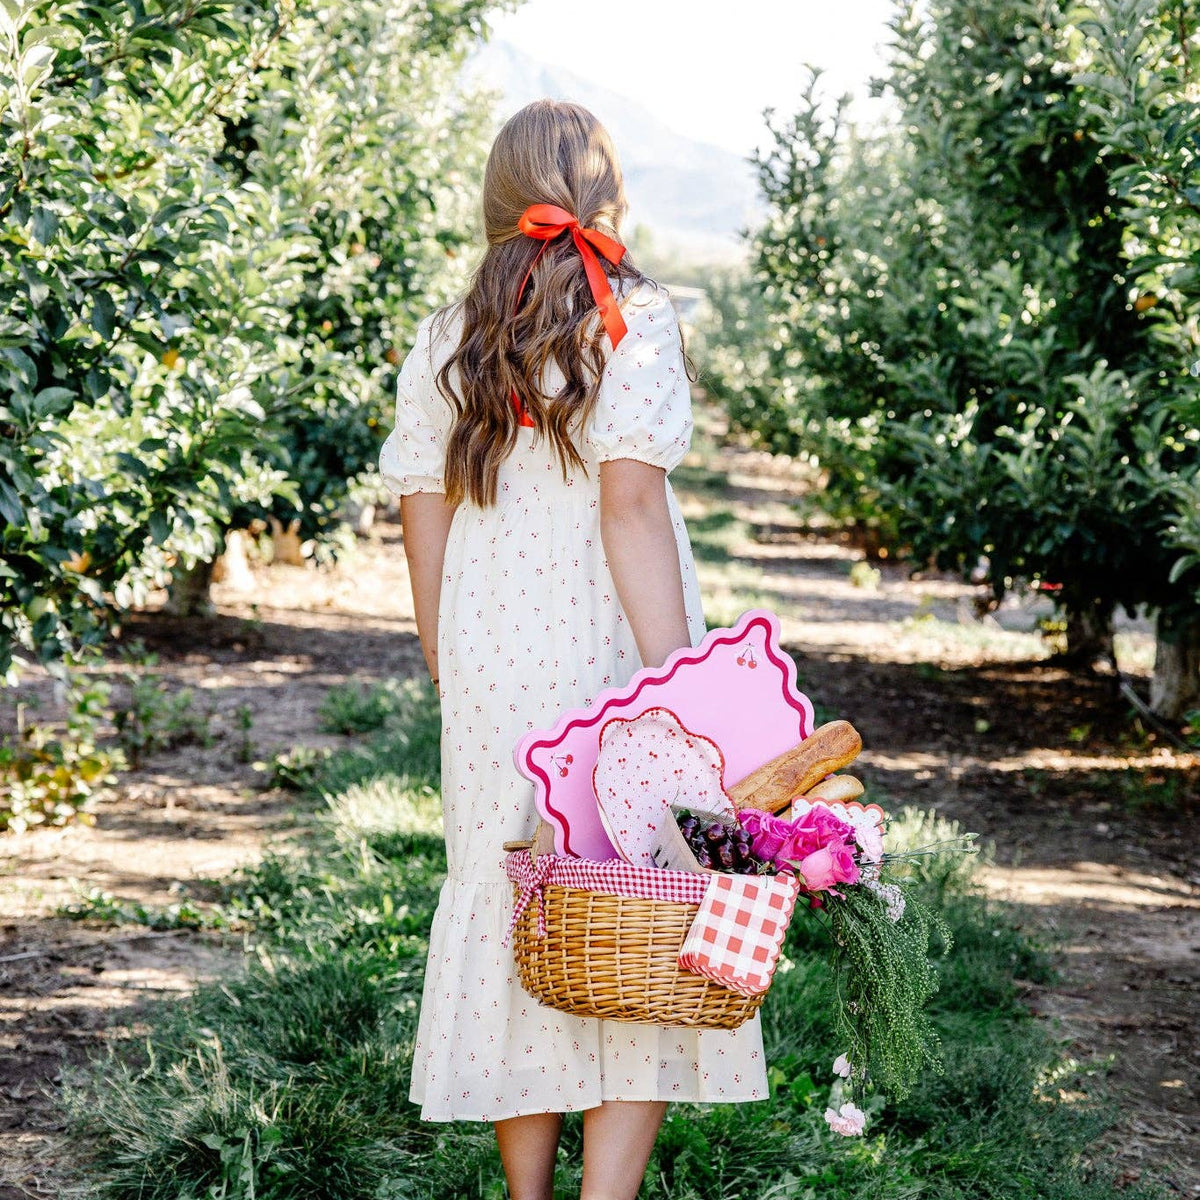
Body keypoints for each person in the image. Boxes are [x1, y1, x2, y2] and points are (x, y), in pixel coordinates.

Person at [378, 98, 767, 1200]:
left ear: (498, 198)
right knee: (636, 910)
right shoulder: (626, 315)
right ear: (605, 193)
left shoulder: (452, 329)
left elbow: (424, 506)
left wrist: (443, 650)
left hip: (495, 652)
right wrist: (688, 685)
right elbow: (631, 508)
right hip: (610, 649)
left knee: (521, 911)